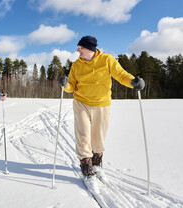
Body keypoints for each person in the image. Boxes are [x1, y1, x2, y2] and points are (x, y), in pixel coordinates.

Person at [58, 35, 144, 177]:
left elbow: (121, 75)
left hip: (102, 103)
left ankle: (97, 156)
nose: (78, 50)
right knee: (83, 133)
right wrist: (65, 84)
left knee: (99, 135)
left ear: (90, 49)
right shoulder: (76, 65)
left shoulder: (107, 60)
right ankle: (85, 160)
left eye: (81, 48)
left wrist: (133, 82)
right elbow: (72, 86)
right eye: (78, 48)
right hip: (81, 103)